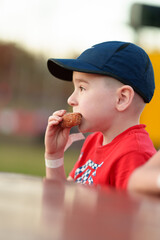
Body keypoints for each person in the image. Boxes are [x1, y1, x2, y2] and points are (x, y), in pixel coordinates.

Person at [44, 41, 156, 189]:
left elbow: (130, 212)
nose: (71, 100)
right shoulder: (94, 141)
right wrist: (54, 156)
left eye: (82, 88)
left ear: (122, 98)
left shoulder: (133, 154)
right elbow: (62, 201)